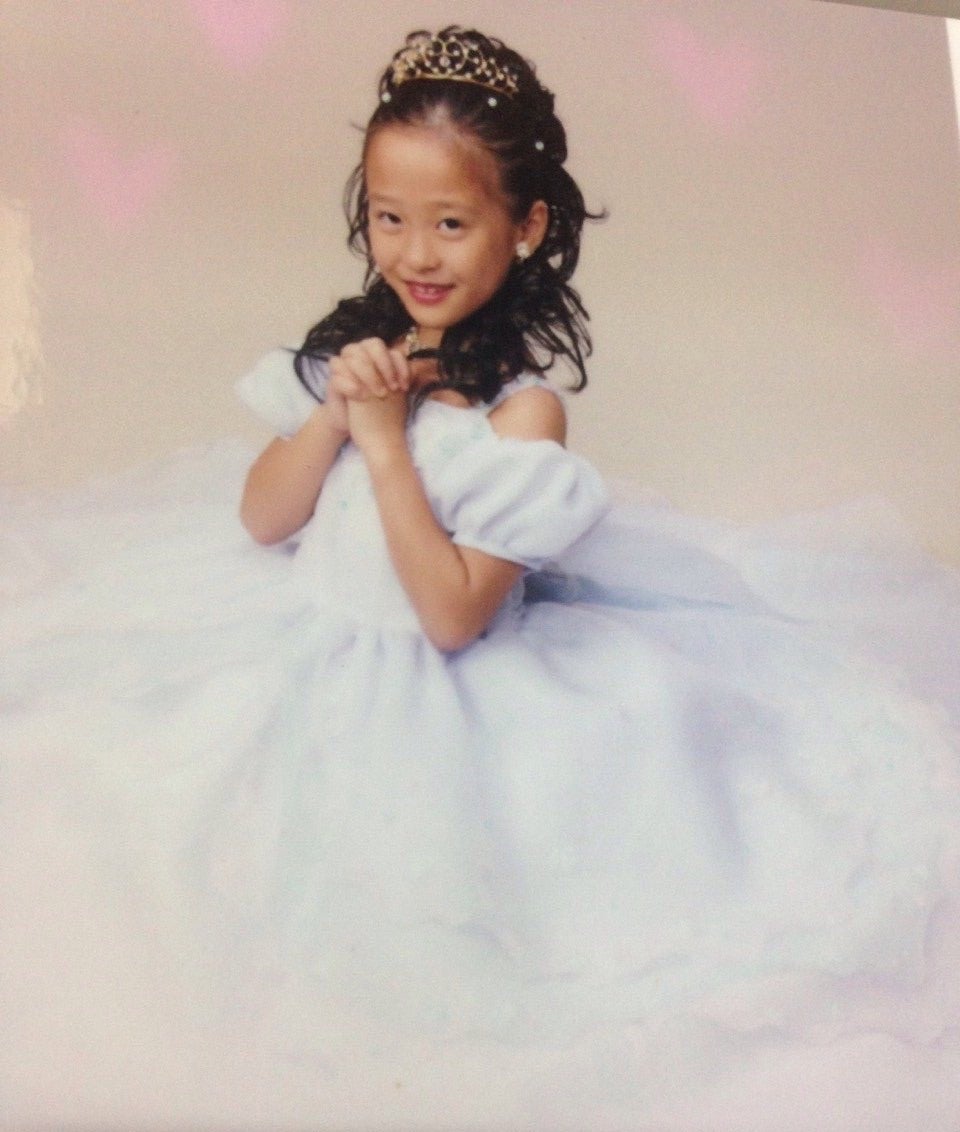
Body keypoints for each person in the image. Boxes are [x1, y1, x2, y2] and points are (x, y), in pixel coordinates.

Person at [3, 26, 960, 1130]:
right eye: (388, 217)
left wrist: (386, 447)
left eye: (451, 223)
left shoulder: (522, 412)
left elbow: (454, 614)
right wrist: (335, 414)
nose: (415, 253)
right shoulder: (362, 356)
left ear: (527, 227)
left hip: (439, 691)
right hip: (303, 642)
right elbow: (264, 519)